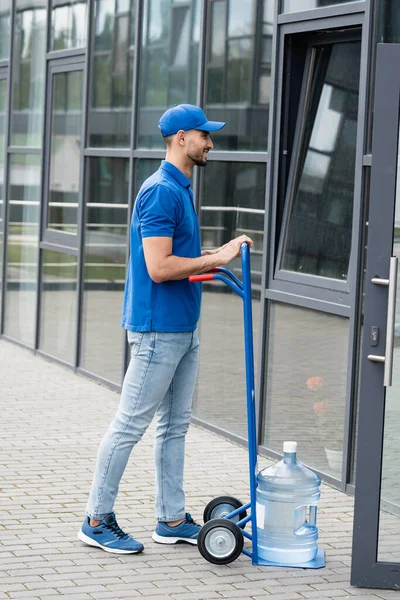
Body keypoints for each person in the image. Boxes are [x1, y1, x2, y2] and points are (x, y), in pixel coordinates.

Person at [78, 104, 253, 554]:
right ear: (180, 138)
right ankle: (96, 519)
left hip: (183, 328)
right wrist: (216, 258)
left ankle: (171, 518)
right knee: (129, 424)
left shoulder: (179, 188)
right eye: (204, 135)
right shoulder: (160, 192)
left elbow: (181, 258)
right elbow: (158, 267)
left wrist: (219, 252)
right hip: (158, 332)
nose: (210, 143)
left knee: (175, 426)